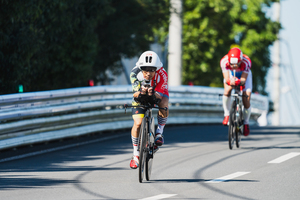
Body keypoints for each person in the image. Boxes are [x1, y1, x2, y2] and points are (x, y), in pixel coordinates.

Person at [129, 50, 169, 169]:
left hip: (157, 93)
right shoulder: (134, 74)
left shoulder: (163, 74)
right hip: (140, 94)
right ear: (140, 68)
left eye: (152, 69)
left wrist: (152, 94)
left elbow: (159, 96)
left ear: (157, 69)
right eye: (145, 69)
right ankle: (136, 154)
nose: (148, 73)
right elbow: (135, 94)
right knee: (138, 124)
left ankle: (159, 133)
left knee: (164, 103)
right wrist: (141, 93)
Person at [220, 47, 252, 136]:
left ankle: (246, 122)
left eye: (236, 64)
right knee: (227, 91)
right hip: (231, 74)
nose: (234, 66)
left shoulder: (246, 62)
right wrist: (230, 81)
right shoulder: (224, 61)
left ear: (241, 61)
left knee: (246, 98)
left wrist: (239, 82)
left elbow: (244, 79)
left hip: (244, 75)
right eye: (232, 64)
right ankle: (226, 114)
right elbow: (226, 78)